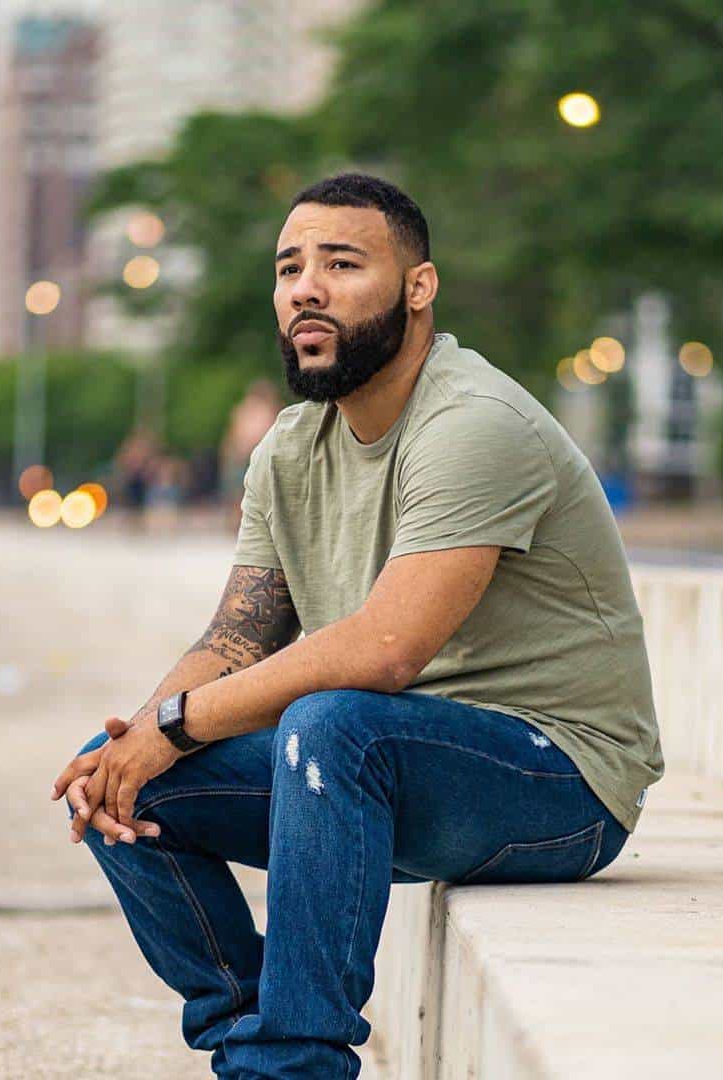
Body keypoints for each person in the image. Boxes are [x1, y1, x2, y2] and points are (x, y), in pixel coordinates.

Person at [50, 173, 665, 1078]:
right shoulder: (292, 450)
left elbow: (385, 650)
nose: (307, 286)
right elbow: (232, 642)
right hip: (388, 761)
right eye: (290, 266)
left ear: (419, 288)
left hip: (559, 781)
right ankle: (245, 1038)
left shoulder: (473, 422)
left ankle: (297, 1064)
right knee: (124, 786)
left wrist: (179, 726)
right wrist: (140, 740)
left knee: (331, 723)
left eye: (342, 264)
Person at [219, 378, 284, 533]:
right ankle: (239, 524)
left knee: (250, 493)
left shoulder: (268, 410)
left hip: (252, 455)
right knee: (240, 493)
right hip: (245, 456)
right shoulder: (246, 410)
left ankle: (244, 524)